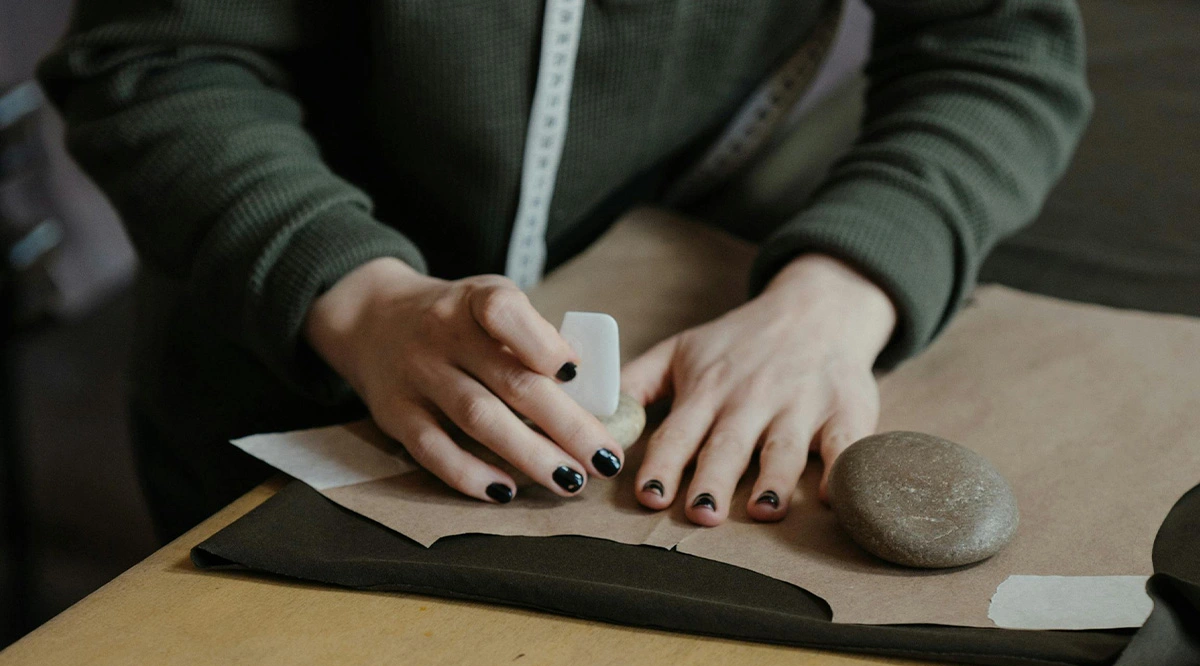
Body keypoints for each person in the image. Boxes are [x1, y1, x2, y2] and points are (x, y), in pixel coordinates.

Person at [38, 0, 1090, 540]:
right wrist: (359, 300)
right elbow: (155, 60)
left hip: (682, 288)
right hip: (281, 356)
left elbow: (999, 48)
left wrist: (840, 294)